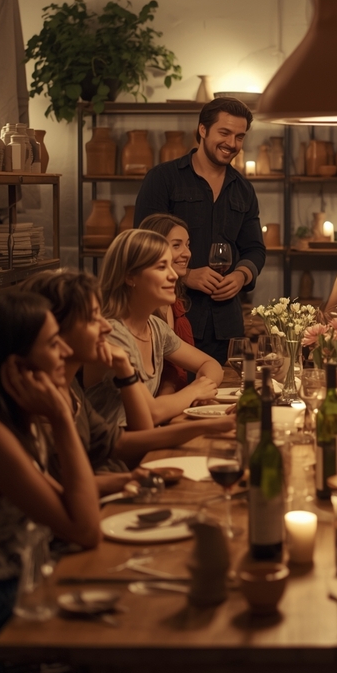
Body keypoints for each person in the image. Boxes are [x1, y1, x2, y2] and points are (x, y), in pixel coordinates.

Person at [0, 290, 100, 673]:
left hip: (16, 591)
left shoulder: (12, 422)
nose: (66, 351)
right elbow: (85, 529)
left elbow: (71, 503)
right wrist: (62, 419)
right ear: (17, 366)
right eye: (53, 343)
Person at [22, 270, 233, 494]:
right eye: (94, 318)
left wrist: (216, 425)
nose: (105, 326)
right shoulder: (34, 404)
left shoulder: (69, 387)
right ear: (56, 330)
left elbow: (120, 443)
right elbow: (71, 503)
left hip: (111, 480)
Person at [134, 96, 266, 364]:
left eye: (239, 137)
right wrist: (187, 275)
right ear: (203, 130)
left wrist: (241, 276)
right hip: (171, 317)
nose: (232, 143)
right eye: (224, 133)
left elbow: (255, 249)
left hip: (226, 326)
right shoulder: (163, 178)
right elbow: (141, 245)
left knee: (221, 399)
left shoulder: (243, 189)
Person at [83, 229, 223, 428]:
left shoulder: (155, 327)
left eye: (170, 266)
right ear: (130, 276)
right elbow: (151, 412)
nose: (174, 275)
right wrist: (194, 392)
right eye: (161, 267)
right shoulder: (112, 332)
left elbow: (211, 364)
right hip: (116, 453)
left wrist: (202, 389)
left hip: (145, 443)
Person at [138, 213, 194, 392]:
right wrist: (194, 392)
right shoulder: (128, 323)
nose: (187, 253)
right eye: (177, 245)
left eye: (187, 244)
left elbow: (208, 365)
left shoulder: (173, 304)